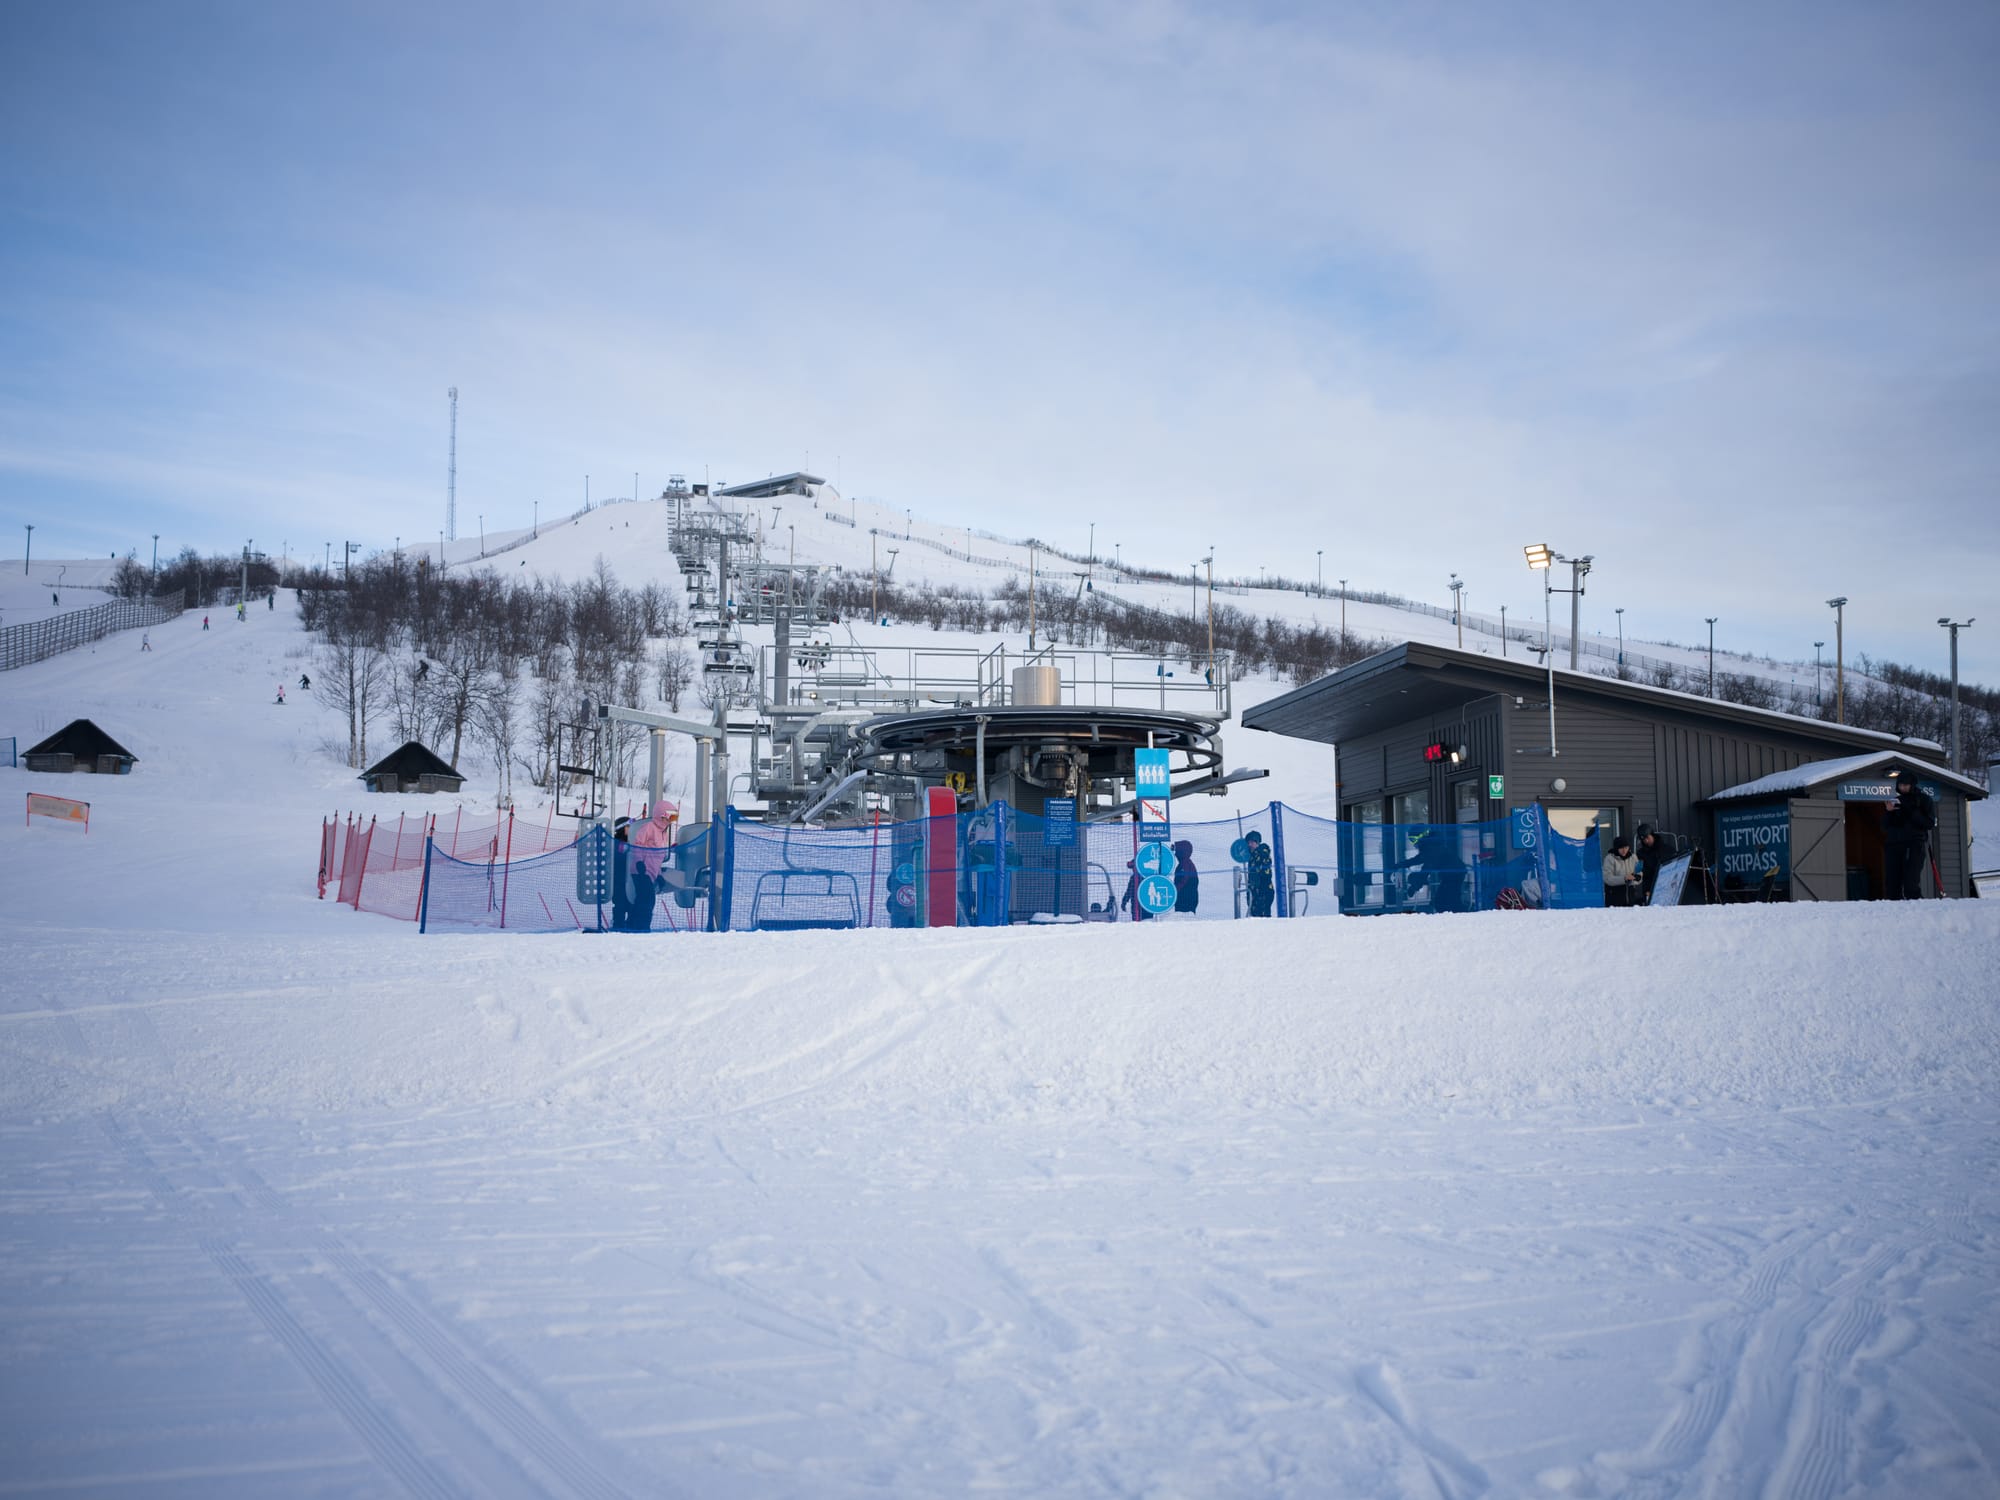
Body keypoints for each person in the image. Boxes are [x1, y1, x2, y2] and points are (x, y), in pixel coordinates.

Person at [1882, 777, 1936, 900]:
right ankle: (1895, 913)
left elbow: (1929, 823)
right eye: (1900, 785)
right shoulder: (1896, 801)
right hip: (1894, 844)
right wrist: (1889, 812)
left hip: (1914, 844)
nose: (1903, 787)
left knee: (1910, 885)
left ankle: (1918, 910)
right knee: (1892, 885)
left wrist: (1912, 812)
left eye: (1906, 784)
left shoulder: (1924, 800)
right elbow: (1884, 826)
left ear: (1912, 785)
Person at [1602, 833, 1640, 907]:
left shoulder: (1633, 857)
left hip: (1631, 897)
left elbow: (1639, 872)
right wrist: (1624, 878)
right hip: (1614, 898)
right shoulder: (1609, 859)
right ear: (1616, 848)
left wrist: (1638, 877)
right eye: (1621, 848)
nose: (1624, 850)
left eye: (1626, 847)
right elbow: (1607, 878)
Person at [1244, 829, 1275, 917]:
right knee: (1255, 914)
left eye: (1252, 842)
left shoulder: (1262, 852)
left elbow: (1265, 870)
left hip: (1264, 890)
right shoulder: (1252, 857)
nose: (1250, 845)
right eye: (1248, 843)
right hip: (1254, 891)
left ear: (1257, 842)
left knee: (1264, 916)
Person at [1635, 825, 1667, 905]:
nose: (1646, 841)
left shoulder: (1666, 849)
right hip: (1649, 887)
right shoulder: (1640, 853)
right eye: (1643, 839)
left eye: (1648, 838)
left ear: (1652, 835)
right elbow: (1638, 870)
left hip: (1665, 885)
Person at [1172, 839, 1199, 914]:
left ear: (1181, 851)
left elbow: (1183, 881)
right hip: (1189, 899)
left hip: (1185, 900)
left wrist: (1174, 890)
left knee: (1183, 918)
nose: (1175, 853)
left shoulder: (1185, 864)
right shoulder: (1187, 863)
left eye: (1176, 850)